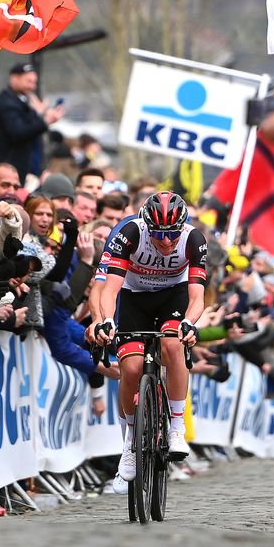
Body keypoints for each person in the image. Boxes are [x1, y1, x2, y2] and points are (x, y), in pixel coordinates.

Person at [86, 192, 207, 485]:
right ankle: (129, 443)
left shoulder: (194, 239)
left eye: (172, 234)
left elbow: (197, 296)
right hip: (133, 297)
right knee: (130, 368)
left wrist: (189, 323)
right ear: (146, 226)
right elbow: (109, 291)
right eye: (158, 234)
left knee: (172, 344)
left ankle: (176, 426)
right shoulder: (130, 234)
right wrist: (104, 322)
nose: (166, 242)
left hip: (172, 297)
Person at [0, 62, 64, 181]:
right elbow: (18, 132)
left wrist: (39, 114)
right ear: (14, 78)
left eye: (34, 82)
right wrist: (45, 121)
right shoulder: (8, 103)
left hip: (18, 167)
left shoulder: (19, 100)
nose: (32, 87)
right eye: (28, 81)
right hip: (5, 169)